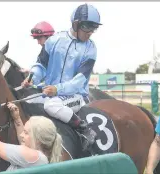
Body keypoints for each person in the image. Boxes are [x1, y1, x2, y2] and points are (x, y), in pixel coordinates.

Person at [21, 3, 102, 151]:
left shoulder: (91, 48)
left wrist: (57, 89)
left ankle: (85, 129)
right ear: (76, 24)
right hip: (51, 94)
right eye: (87, 27)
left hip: (75, 95)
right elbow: (40, 65)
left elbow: (80, 80)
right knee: (25, 100)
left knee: (51, 105)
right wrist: (32, 78)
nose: (90, 32)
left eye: (94, 28)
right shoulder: (54, 40)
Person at [0, 103, 62, 171]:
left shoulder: (34, 156)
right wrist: (17, 119)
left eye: (26, 133)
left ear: (38, 140)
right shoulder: (40, 157)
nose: (21, 135)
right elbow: (23, 142)